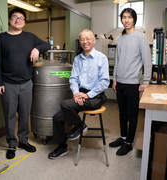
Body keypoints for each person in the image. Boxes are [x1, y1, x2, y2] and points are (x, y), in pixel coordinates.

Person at [0, 8, 51, 159]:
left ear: (24, 22)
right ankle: (12, 144)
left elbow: (47, 45)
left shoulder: (30, 37)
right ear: (10, 19)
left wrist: (37, 48)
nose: (18, 20)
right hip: (7, 83)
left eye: (21, 18)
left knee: (25, 114)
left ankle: (23, 141)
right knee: (10, 115)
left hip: (26, 83)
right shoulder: (1, 38)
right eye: (15, 17)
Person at [48, 29, 110, 159]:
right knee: (57, 118)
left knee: (65, 104)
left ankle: (80, 126)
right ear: (79, 42)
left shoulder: (101, 58)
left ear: (94, 40)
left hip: (95, 96)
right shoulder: (77, 59)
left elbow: (104, 82)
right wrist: (77, 94)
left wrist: (87, 95)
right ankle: (62, 146)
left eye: (88, 38)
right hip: (80, 94)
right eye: (82, 39)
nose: (85, 41)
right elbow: (73, 79)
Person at [109, 8, 152, 156]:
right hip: (120, 82)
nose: (126, 20)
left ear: (134, 19)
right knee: (122, 113)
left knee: (132, 115)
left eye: (129, 17)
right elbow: (117, 61)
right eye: (124, 17)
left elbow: (147, 61)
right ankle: (123, 137)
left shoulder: (140, 38)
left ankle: (128, 143)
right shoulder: (120, 39)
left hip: (133, 83)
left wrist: (146, 81)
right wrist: (114, 79)